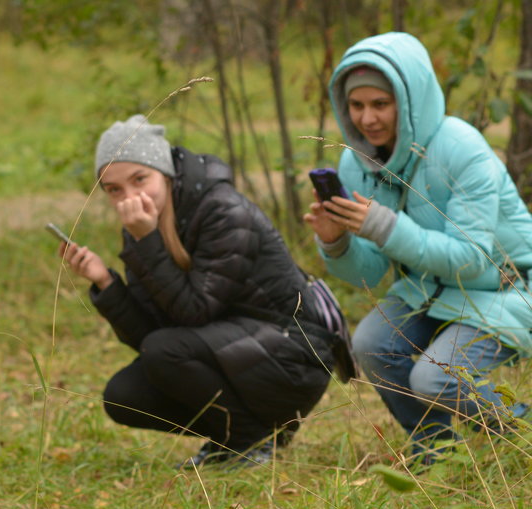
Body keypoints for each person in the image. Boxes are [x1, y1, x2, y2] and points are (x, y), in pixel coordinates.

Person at [305, 32, 532, 464]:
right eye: (357, 106)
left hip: (505, 286)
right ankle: (436, 450)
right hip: (429, 289)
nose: (367, 119)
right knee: (371, 344)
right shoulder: (357, 160)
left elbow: (471, 259)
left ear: (408, 101)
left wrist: (386, 226)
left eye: (380, 104)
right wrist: (336, 242)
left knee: (433, 378)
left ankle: (519, 430)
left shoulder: (462, 149)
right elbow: (370, 275)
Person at [60, 114, 337, 468]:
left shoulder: (221, 210)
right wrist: (106, 283)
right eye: (114, 189)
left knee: (166, 351)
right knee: (123, 395)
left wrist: (147, 242)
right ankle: (233, 439)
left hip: (295, 359)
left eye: (139, 179)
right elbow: (152, 337)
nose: (130, 197)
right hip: (240, 353)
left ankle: (250, 440)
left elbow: (193, 313)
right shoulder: (144, 225)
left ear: (165, 171)